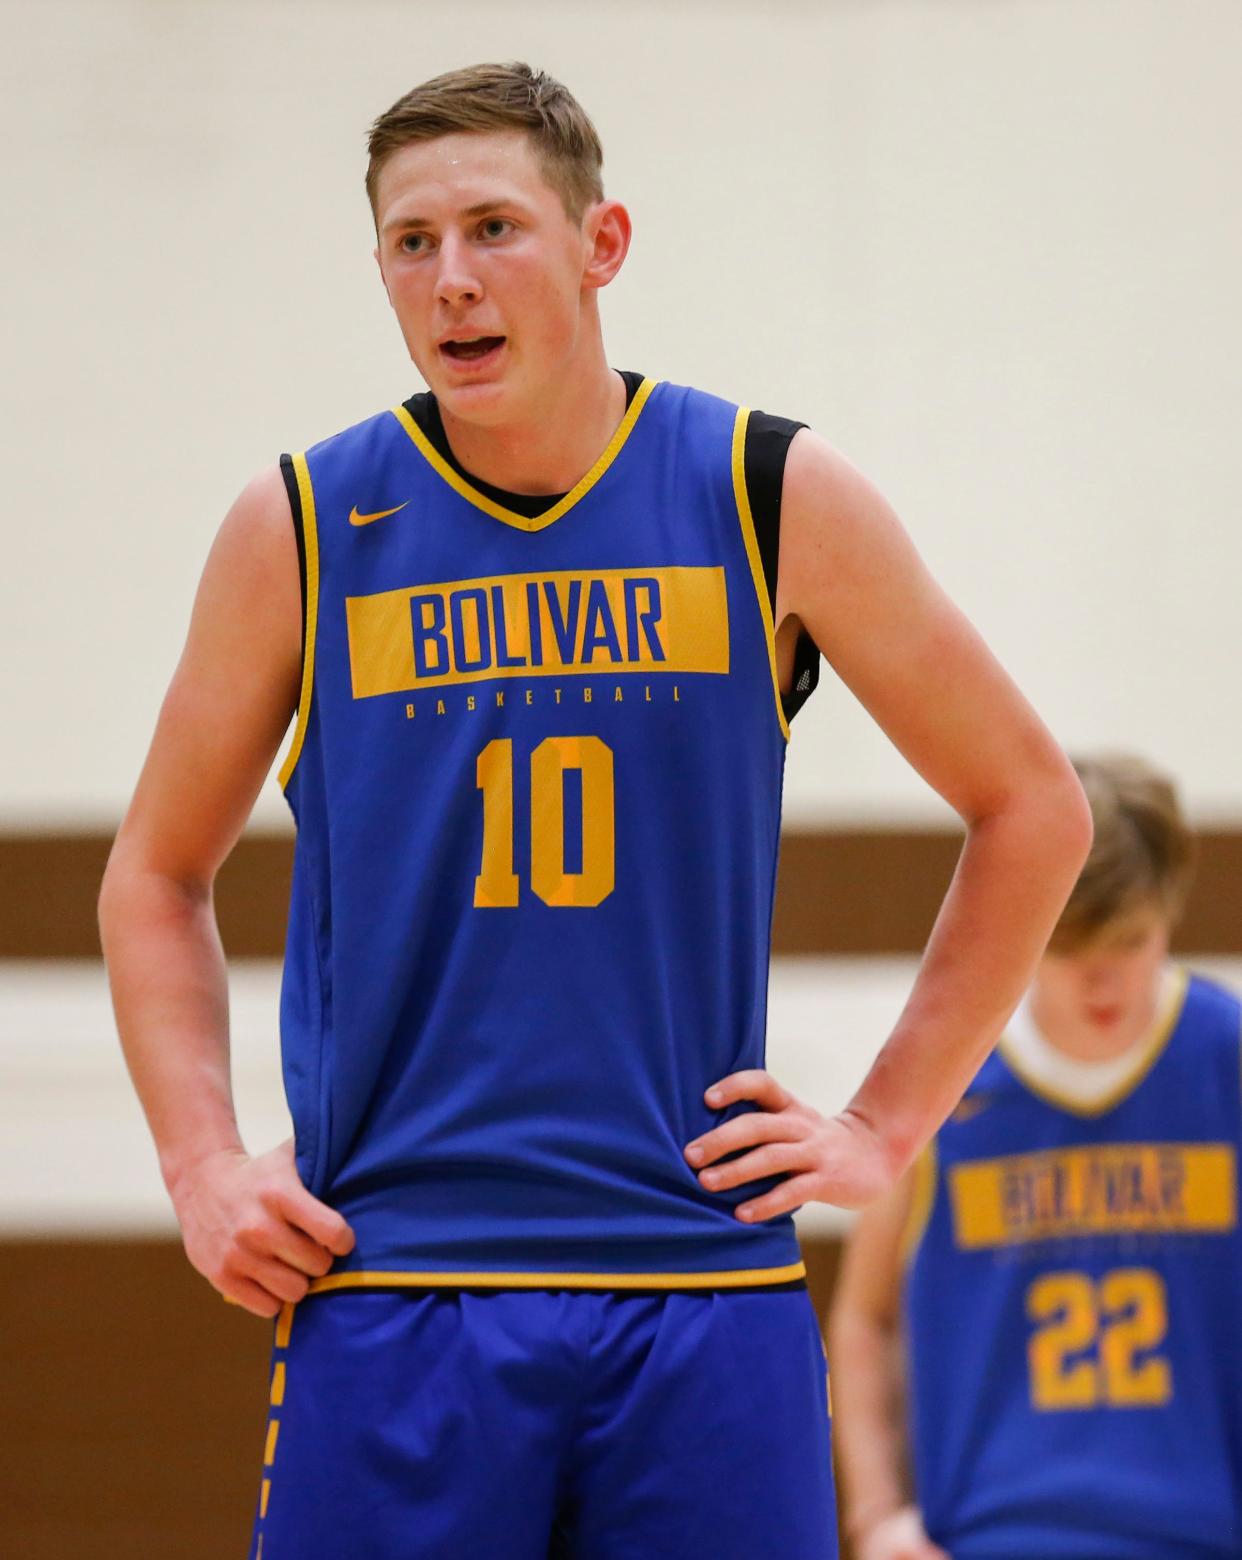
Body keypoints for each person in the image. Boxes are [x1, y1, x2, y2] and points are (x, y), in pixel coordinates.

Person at [98, 62, 1091, 1560]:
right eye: (410, 244)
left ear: (599, 242)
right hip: (394, 1284)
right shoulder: (303, 525)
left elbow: (1032, 806)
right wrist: (198, 1165)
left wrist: (886, 1125)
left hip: (699, 1285)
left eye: (494, 227)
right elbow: (155, 873)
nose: (451, 281)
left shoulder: (762, 491)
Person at [829, 754, 1242, 1560]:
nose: (1101, 975)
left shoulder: (1222, 1060)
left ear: (1169, 911)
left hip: (1196, 1533)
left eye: (1128, 940)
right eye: (1069, 943)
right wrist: (876, 1518)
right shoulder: (947, 1077)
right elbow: (864, 1318)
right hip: (992, 1534)